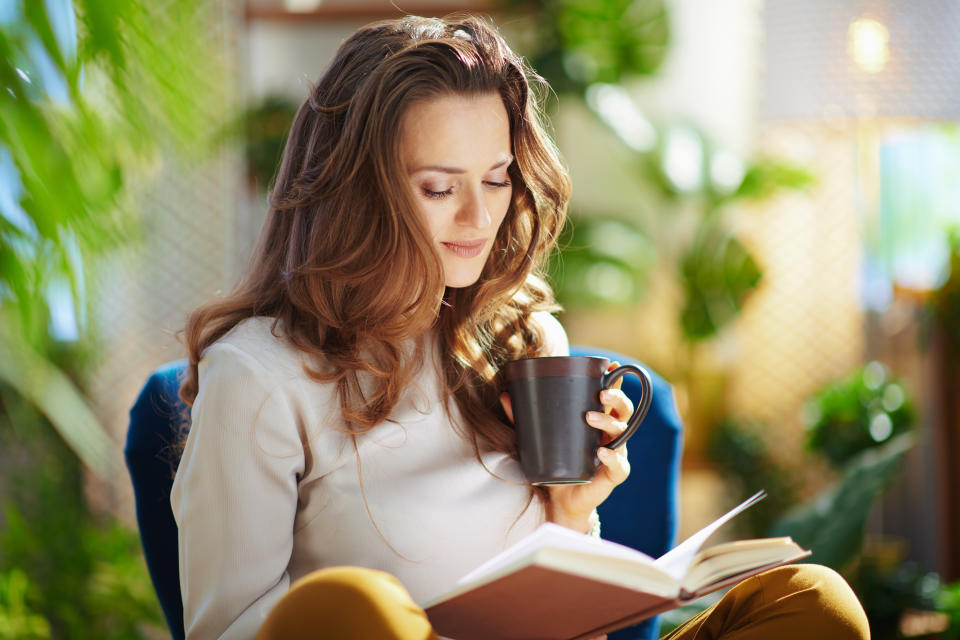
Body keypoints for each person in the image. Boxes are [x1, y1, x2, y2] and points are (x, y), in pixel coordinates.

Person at [171, 14, 870, 640]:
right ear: (355, 193)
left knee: (811, 601)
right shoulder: (260, 377)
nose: (479, 220)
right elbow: (226, 630)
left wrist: (572, 513)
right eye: (440, 188)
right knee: (358, 610)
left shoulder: (522, 344)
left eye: (498, 179)